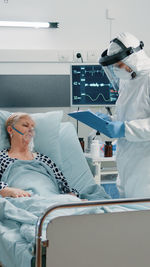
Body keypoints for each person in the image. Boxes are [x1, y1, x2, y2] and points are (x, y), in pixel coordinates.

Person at [98, 32, 150, 198]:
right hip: (128, 162)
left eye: (118, 65)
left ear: (133, 58)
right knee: (129, 213)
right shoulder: (126, 82)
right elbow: (130, 116)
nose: (116, 70)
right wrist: (110, 122)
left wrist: (124, 128)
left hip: (146, 165)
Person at [0, 112, 79, 198]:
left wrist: (73, 198)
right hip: (24, 199)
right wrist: (8, 190)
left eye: (32, 127)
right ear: (11, 130)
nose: (30, 129)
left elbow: (65, 188)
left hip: (52, 199)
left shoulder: (45, 159)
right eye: (25, 125)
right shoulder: (2, 157)